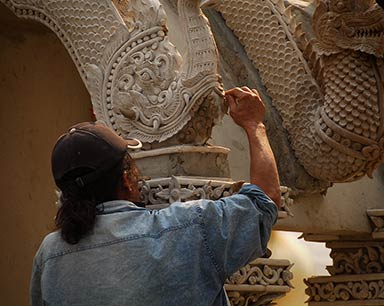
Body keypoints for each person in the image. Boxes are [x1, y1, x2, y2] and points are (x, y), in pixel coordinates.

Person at [30, 87, 281, 306]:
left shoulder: (50, 254)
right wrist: (254, 124)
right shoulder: (189, 226)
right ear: (127, 179)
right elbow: (265, 201)